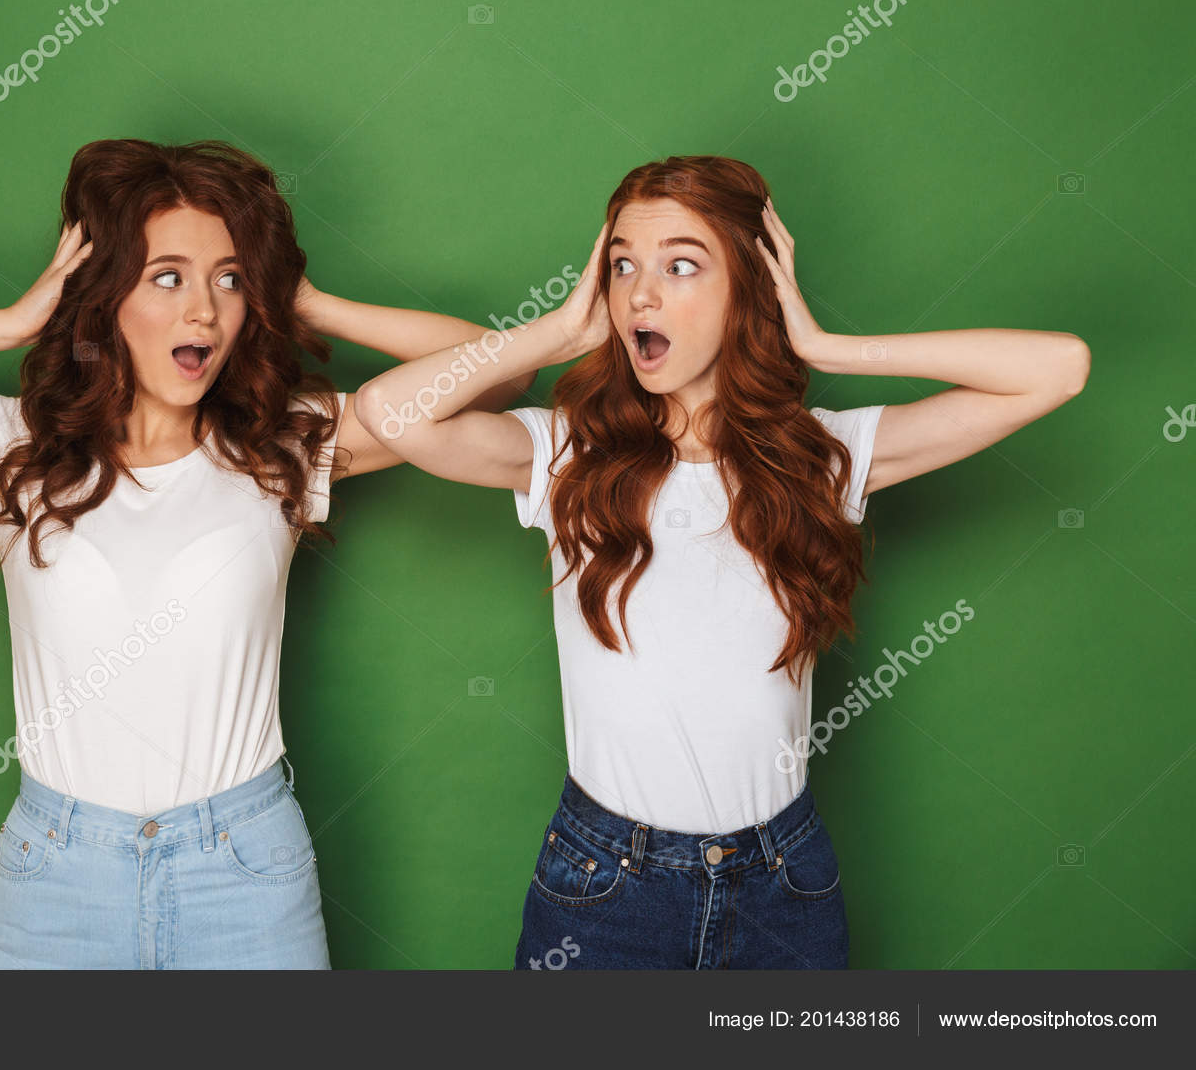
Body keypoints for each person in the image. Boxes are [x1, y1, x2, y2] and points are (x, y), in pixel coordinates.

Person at [0, 137, 530, 969]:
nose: (204, 311)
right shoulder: (15, 447)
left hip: (244, 869)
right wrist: (6, 323)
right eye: (168, 277)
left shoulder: (287, 446)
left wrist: (309, 303)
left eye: (227, 279)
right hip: (57, 873)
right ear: (107, 295)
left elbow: (497, 376)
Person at [354, 155, 1089, 969]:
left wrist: (829, 345)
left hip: (784, 885)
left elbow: (1059, 369)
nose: (641, 293)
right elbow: (390, 412)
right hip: (605, 888)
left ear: (749, 287)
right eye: (623, 264)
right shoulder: (566, 453)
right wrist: (560, 332)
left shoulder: (824, 456)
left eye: (680, 265)